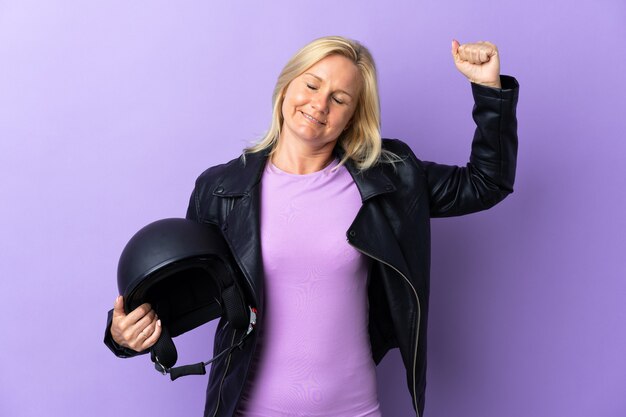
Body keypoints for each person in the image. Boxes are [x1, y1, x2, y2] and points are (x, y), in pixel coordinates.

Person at [104, 35, 519, 417]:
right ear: (286, 86)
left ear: (354, 116)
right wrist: (124, 334)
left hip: (354, 409)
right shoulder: (220, 189)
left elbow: (487, 182)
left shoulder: (389, 178)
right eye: (312, 85)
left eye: (340, 98)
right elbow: (185, 295)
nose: (320, 105)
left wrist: (488, 90)